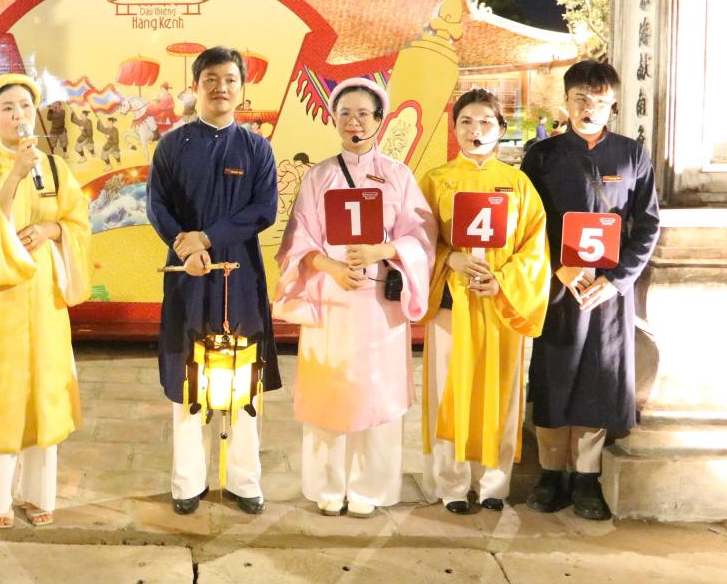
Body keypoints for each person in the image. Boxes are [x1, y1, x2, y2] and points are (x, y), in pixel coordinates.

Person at [273, 78, 435, 517]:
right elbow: (297, 240)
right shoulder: (318, 176)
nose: (354, 122)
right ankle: (328, 484)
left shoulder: (399, 176)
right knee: (331, 389)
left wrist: (386, 250)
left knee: (376, 392)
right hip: (332, 298)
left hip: (379, 302)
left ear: (379, 121)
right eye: (345, 113)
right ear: (333, 120)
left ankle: (370, 486)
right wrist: (329, 267)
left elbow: (421, 238)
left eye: (364, 113)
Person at [0, 74, 91, 528]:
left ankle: (39, 495)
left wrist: (53, 231)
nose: (17, 115)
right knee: (2, 393)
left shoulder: (54, 169)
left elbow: (76, 220)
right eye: (7, 108)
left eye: (25, 107)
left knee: (44, 391)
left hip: (44, 295)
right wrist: (12, 175)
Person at [520, 61, 660, 520]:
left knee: (596, 381)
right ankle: (549, 474)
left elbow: (647, 224)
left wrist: (618, 281)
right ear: (566, 101)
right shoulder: (541, 156)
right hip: (559, 289)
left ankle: (585, 478)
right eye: (581, 99)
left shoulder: (632, 155)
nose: (589, 108)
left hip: (606, 292)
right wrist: (556, 268)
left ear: (613, 105)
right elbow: (525, 225)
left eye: (599, 101)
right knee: (553, 376)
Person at [146, 45, 281, 516]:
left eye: (229, 79)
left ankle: (244, 481)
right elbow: (156, 205)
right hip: (187, 276)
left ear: (241, 88)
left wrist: (209, 237)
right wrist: (185, 244)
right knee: (189, 375)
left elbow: (264, 209)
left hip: (240, 275)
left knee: (243, 376)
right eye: (211, 80)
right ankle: (187, 482)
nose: (220, 88)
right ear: (196, 86)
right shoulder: (172, 145)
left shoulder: (257, 148)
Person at [418, 89, 550, 514]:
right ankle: (452, 483)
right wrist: (449, 257)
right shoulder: (436, 180)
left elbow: (534, 249)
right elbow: (417, 240)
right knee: (449, 392)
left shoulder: (518, 184)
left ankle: (494, 484)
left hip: (499, 303)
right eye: (467, 123)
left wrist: (503, 281)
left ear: (501, 129)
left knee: (501, 391)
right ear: (453, 128)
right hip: (451, 303)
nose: (476, 131)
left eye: (486, 123)